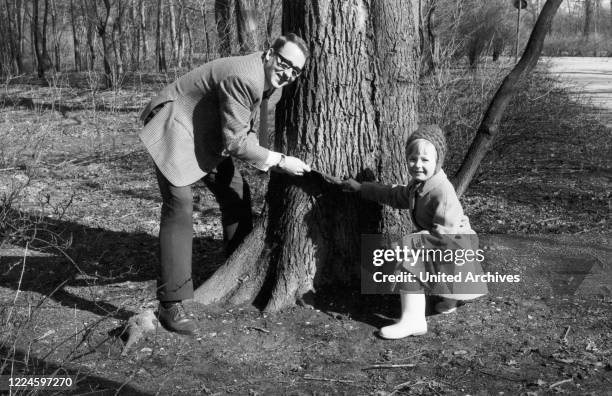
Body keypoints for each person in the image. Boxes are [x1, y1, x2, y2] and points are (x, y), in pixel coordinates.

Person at [140, 34, 312, 335]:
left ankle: (235, 266)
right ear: (270, 54)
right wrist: (279, 159)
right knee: (179, 205)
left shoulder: (267, 79)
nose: (287, 73)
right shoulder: (245, 77)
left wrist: (262, 154)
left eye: (295, 71)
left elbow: (242, 127)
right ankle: (170, 302)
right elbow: (236, 141)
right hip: (175, 124)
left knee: (236, 192)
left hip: (206, 132)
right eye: (284, 63)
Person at [342, 125, 487, 339]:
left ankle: (414, 320)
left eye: (425, 160)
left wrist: (410, 244)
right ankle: (450, 300)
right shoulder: (420, 184)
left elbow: (444, 236)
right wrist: (362, 188)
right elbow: (396, 194)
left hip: (453, 243)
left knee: (408, 259)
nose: (417, 165)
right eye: (412, 159)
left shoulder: (442, 191)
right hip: (445, 241)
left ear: (438, 161)